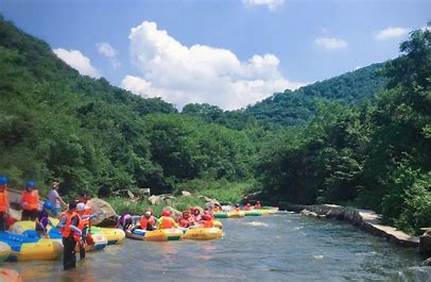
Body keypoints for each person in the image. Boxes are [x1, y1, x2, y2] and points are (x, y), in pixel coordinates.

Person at [58, 202, 81, 271]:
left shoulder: (74, 214)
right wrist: (66, 226)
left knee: (73, 252)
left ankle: (72, 269)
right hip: (67, 238)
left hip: (72, 237)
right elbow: (59, 225)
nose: (76, 210)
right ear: (73, 208)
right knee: (67, 254)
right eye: (75, 208)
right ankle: (67, 269)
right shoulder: (65, 216)